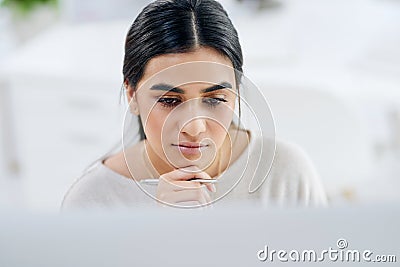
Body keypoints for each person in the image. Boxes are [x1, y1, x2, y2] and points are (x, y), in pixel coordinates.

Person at [62, 0, 327, 210]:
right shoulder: (92, 202)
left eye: (214, 99)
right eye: (169, 101)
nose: (195, 127)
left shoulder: (285, 175)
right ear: (132, 94)